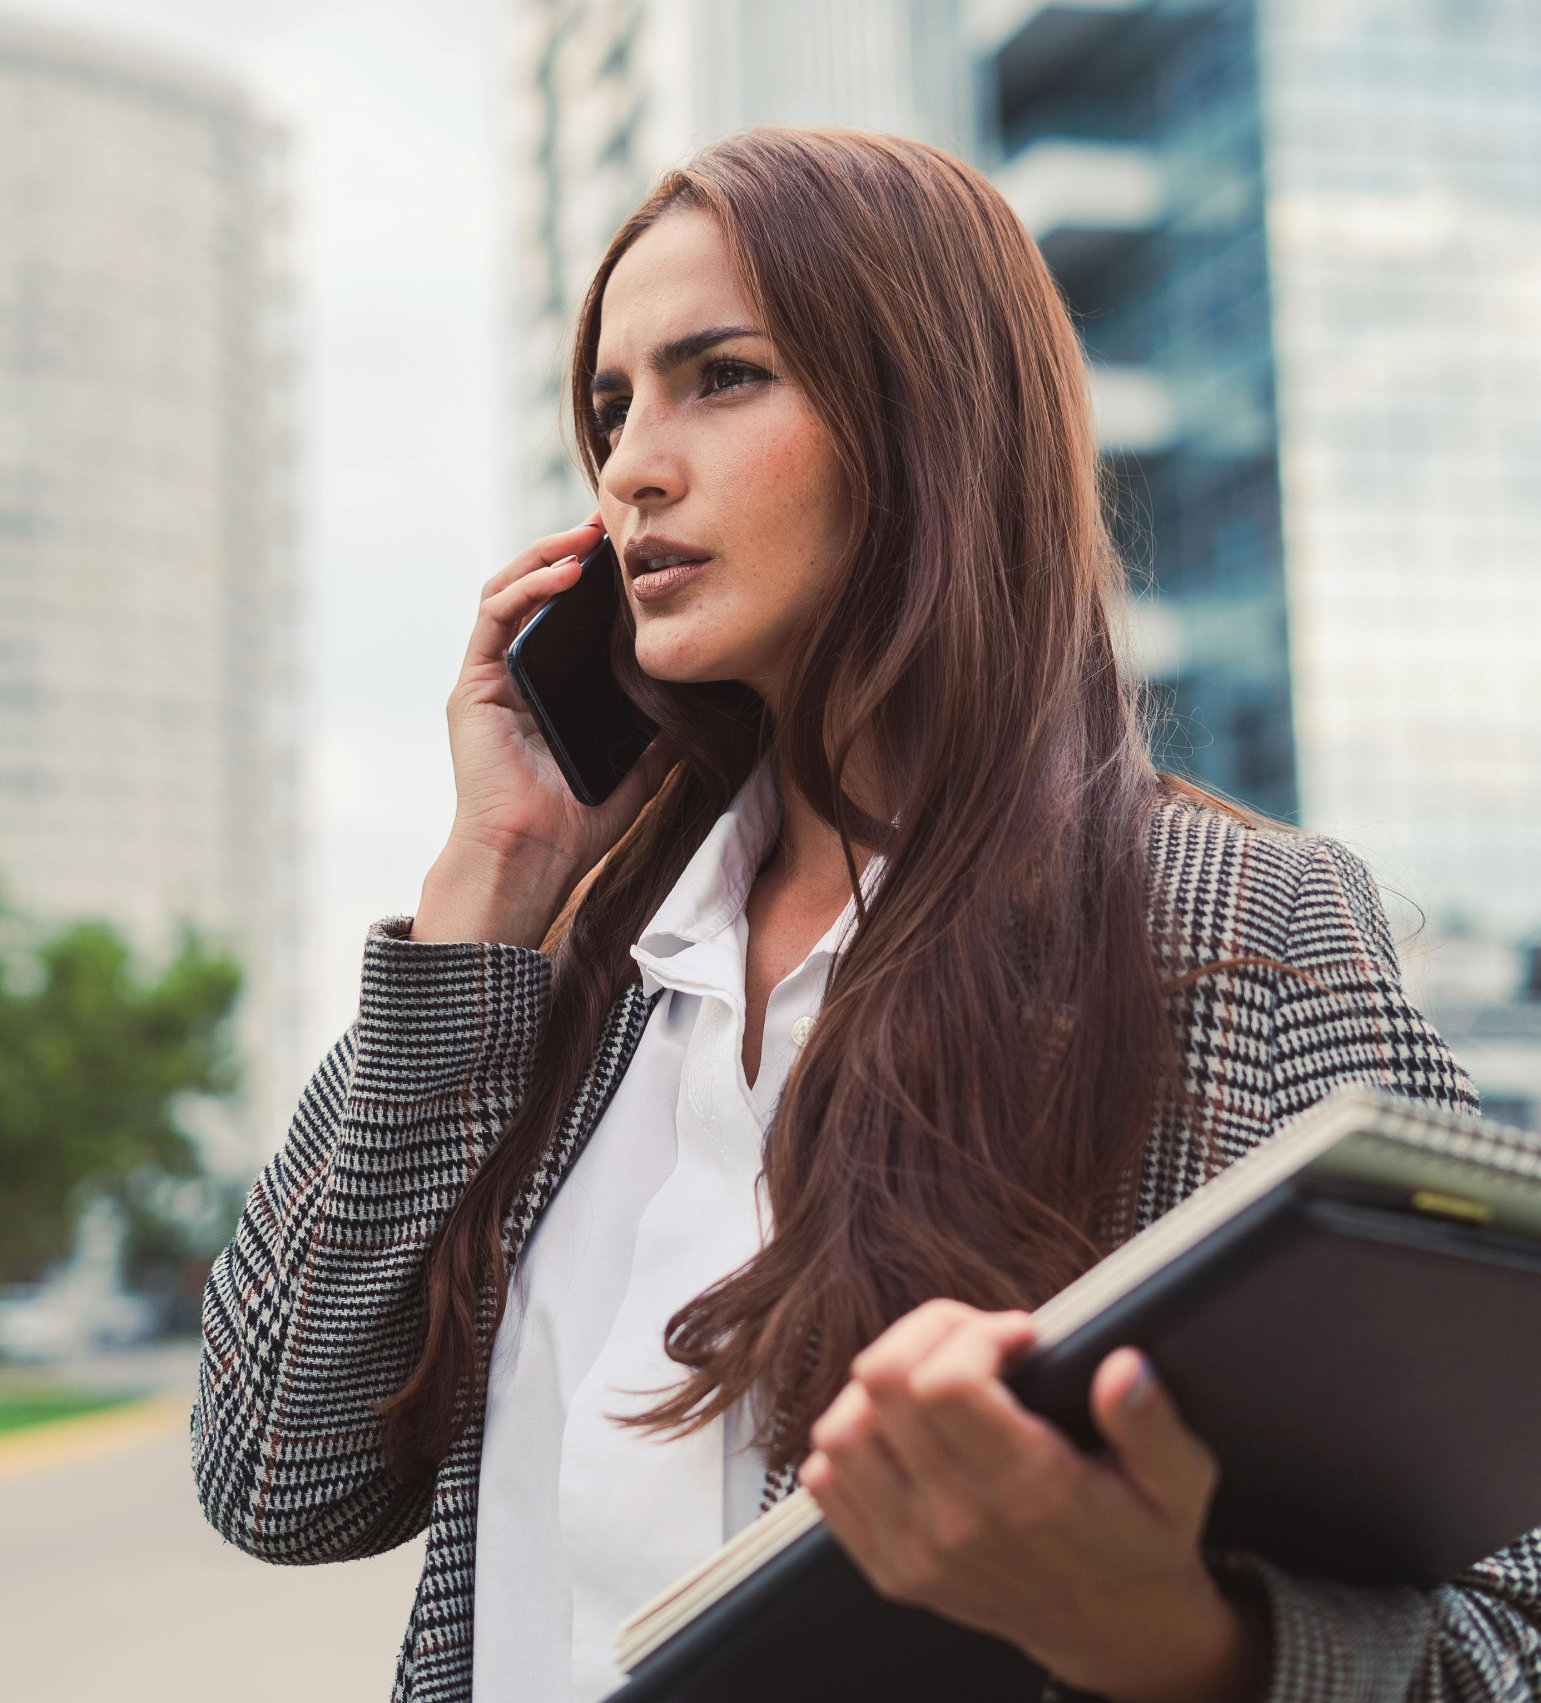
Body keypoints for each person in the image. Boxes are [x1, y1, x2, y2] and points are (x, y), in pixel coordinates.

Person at [191, 128, 1539, 1703]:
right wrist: (483, 894)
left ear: (925, 419)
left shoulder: (1227, 928)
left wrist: (1171, 1641)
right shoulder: (576, 955)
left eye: (721, 376)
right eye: (611, 405)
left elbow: (1499, 1628)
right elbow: (276, 1474)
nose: (629, 462)